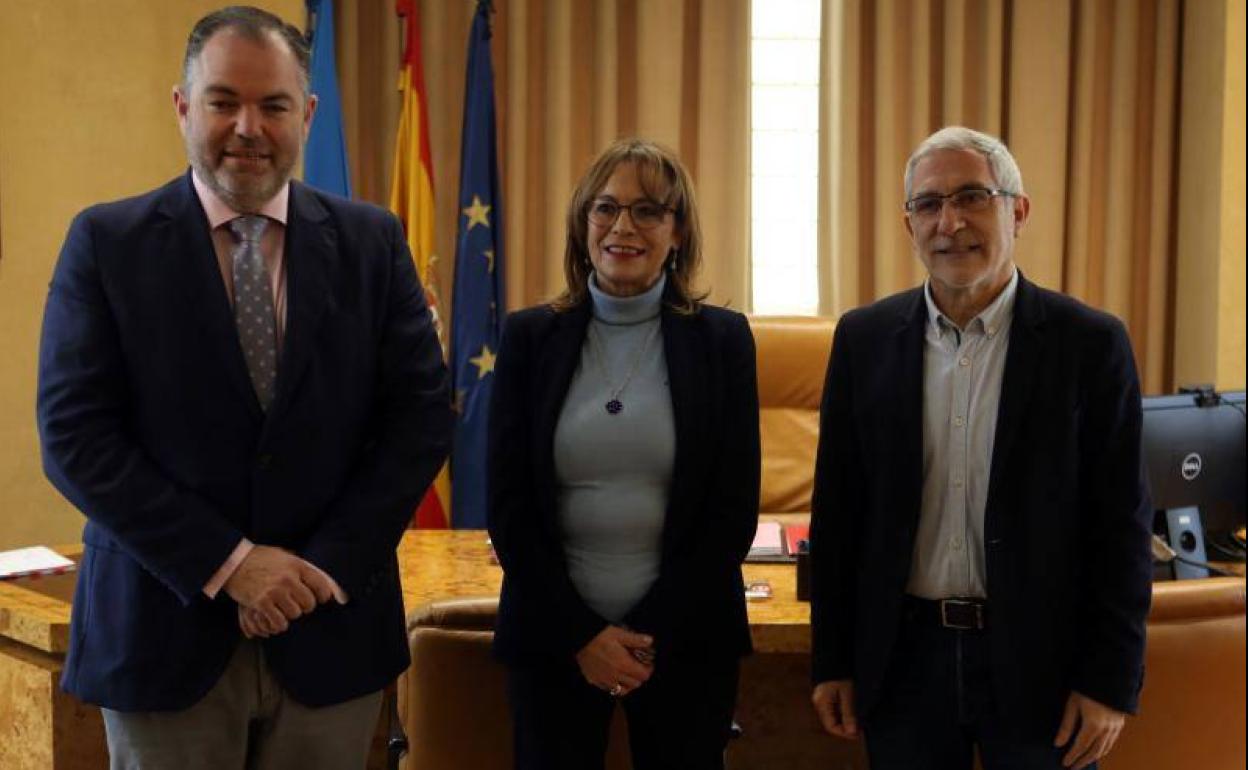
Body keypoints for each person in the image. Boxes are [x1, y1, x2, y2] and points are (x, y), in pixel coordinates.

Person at [36, 7, 452, 768]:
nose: (248, 127)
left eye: (274, 105)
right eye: (224, 101)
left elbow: (420, 420)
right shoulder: (106, 243)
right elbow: (76, 438)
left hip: (330, 630)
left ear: (308, 113)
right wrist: (232, 564)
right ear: (184, 107)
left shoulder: (373, 242)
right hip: (164, 636)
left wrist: (320, 567)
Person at [809, 126, 1153, 770]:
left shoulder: (1089, 344)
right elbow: (839, 517)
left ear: (1017, 211)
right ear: (908, 222)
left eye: (972, 197)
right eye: (928, 204)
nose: (950, 222)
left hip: (1040, 663)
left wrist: (1109, 681)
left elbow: (1122, 528)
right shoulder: (864, 340)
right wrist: (832, 658)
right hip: (904, 662)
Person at [487, 138, 760, 769]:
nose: (622, 227)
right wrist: (584, 637)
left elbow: (731, 510)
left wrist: (640, 641)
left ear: (678, 231)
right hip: (552, 638)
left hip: (686, 639)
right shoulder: (530, 337)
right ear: (583, 225)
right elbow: (509, 506)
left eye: (647, 211)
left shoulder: (723, 341)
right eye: (605, 208)